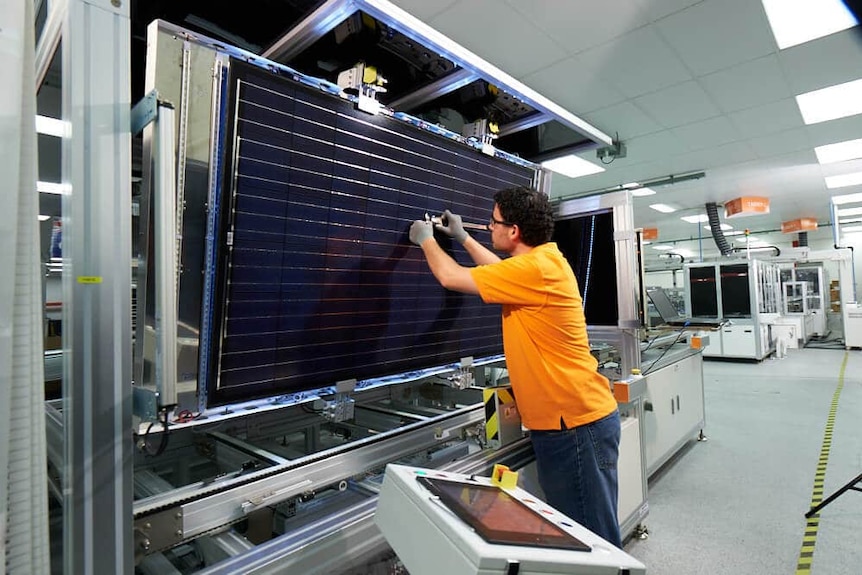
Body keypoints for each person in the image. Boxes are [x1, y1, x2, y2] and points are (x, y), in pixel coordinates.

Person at [408, 186, 622, 548]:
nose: (487, 227)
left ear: (514, 231)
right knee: (582, 537)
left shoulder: (537, 268)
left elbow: (450, 278)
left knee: (591, 544)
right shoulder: (541, 264)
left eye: (493, 222)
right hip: (574, 422)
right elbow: (501, 270)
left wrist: (425, 239)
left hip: (574, 426)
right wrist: (461, 237)